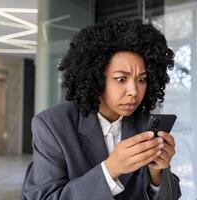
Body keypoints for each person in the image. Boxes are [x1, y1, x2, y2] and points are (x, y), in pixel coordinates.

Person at [22, 18, 181, 200]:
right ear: (96, 78)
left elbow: (171, 196)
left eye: (141, 79)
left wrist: (157, 173)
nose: (134, 91)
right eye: (121, 79)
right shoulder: (52, 126)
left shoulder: (145, 125)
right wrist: (110, 170)